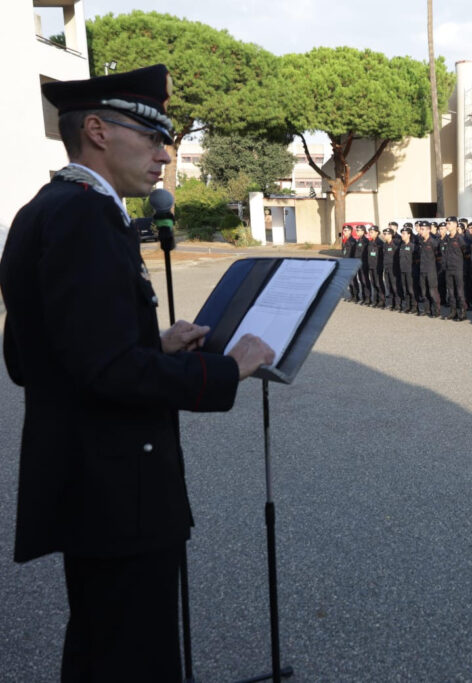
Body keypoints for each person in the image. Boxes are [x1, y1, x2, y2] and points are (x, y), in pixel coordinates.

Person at [0, 65, 275, 681]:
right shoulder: (86, 216)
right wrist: (226, 371)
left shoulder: (44, 208)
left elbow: (32, 354)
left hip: (87, 480)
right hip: (118, 487)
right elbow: (108, 371)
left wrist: (152, 342)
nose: (164, 155)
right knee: (134, 657)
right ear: (97, 130)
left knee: (102, 645)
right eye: (151, 138)